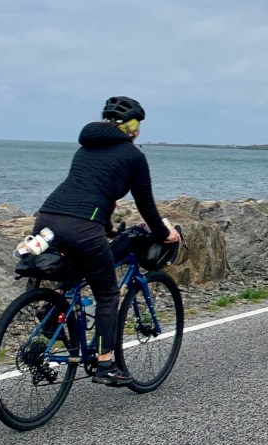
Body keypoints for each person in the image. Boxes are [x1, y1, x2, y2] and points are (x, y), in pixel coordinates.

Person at [34, 96, 180, 386]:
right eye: (137, 124)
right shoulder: (133, 156)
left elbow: (95, 193)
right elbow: (145, 205)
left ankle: (51, 314)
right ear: (131, 127)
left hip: (47, 217)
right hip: (82, 226)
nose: (137, 130)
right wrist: (166, 234)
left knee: (74, 275)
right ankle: (105, 364)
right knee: (108, 293)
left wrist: (108, 228)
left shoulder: (85, 148)